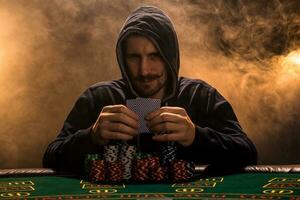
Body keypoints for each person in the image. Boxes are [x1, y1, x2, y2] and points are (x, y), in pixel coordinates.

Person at [43, 5, 257, 175]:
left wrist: (196, 136)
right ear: (122, 59)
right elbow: (50, 157)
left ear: (170, 58)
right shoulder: (98, 98)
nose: (144, 70)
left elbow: (247, 151)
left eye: (155, 56)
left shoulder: (200, 95)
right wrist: (91, 136)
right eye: (134, 57)